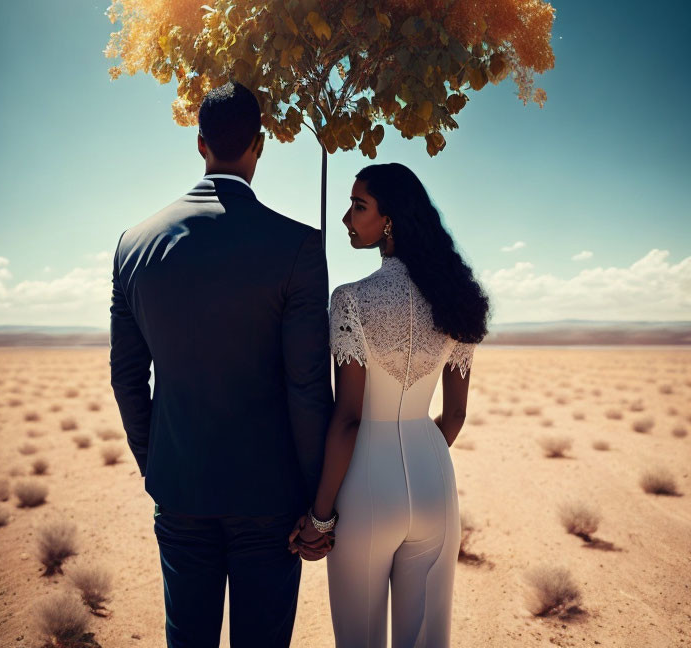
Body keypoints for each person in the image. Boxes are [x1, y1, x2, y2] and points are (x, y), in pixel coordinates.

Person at [109, 82, 334, 648]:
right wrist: (317, 499)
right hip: (272, 499)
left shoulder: (133, 247)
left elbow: (127, 377)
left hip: (180, 489)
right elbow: (307, 385)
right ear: (259, 146)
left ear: (200, 143)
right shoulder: (299, 247)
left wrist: (157, 464)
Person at [290, 162, 490, 647]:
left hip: (366, 488)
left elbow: (350, 419)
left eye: (359, 206)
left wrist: (319, 519)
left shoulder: (352, 300)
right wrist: (419, 458)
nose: (346, 218)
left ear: (390, 220)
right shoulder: (456, 300)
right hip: (435, 480)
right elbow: (457, 414)